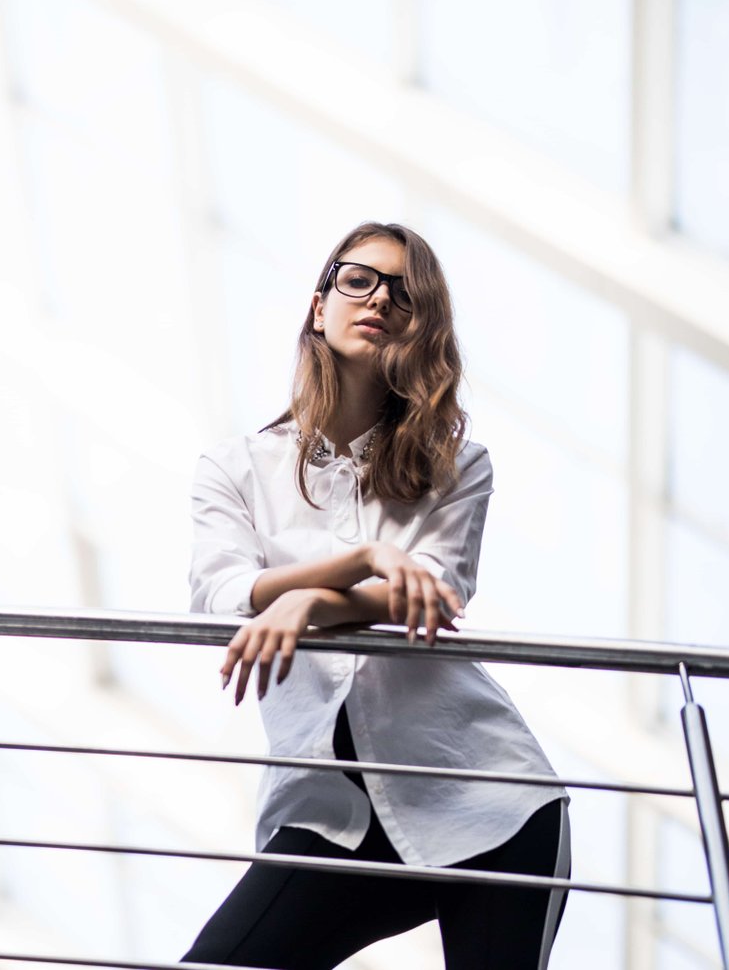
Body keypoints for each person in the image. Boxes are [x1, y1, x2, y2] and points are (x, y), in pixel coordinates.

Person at [182, 222, 571, 969]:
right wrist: (359, 558)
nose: (381, 300)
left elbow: (433, 591)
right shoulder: (236, 467)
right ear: (319, 303)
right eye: (360, 279)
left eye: (406, 293)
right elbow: (224, 593)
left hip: (490, 796)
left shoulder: (457, 462)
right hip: (329, 812)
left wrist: (309, 604)